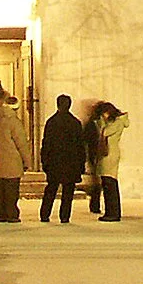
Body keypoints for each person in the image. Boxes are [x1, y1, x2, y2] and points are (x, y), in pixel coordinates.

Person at [39, 93, 88, 223]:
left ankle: (45, 214)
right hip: (71, 163)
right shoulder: (75, 123)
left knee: (51, 189)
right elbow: (80, 146)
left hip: (55, 162)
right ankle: (64, 216)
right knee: (68, 191)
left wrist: (45, 161)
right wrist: (81, 164)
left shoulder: (51, 122)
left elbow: (46, 143)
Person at [0, 91, 31, 223]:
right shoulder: (14, 123)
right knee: (11, 191)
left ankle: (1, 213)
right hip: (12, 162)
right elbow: (21, 143)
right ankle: (12, 214)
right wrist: (27, 161)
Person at [96, 103, 129, 223]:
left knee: (110, 183)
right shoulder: (114, 122)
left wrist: (102, 122)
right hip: (109, 154)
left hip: (110, 155)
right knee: (108, 183)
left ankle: (113, 212)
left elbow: (105, 132)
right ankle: (111, 211)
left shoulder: (117, 123)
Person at [82, 99, 108, 215]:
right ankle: (95, 205)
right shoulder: (93, 125)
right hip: (95, 155)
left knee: (97, 181)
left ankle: (95, 204)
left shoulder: (94, 124)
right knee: (97, 181)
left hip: (96, 155)